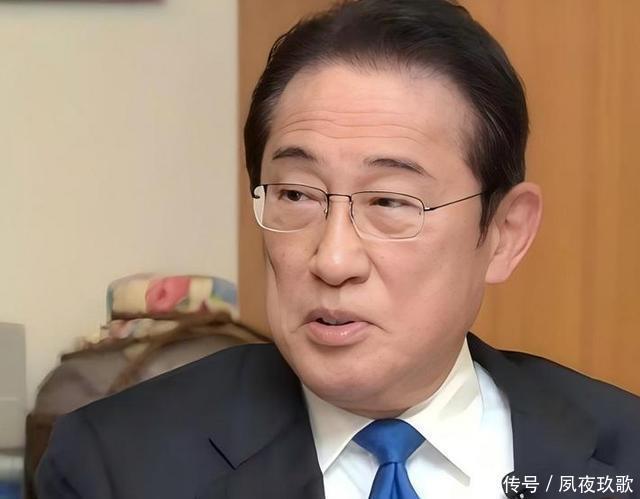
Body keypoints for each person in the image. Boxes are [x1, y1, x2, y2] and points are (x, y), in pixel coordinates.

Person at [37, 1, 640, 498]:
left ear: (505, 233)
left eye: (390, 202)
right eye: (297, 195)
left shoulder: (624, 455)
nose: (332, 260)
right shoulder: (114, 465)